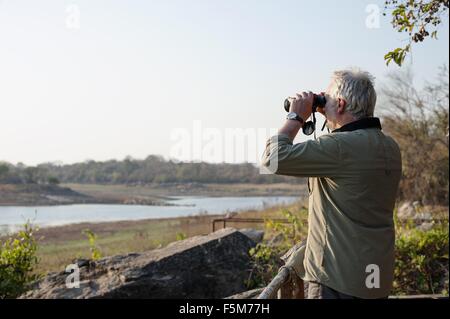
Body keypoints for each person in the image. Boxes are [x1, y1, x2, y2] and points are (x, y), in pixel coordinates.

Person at [262, 69, 402, 299]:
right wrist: (327, 111)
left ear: (340, 104)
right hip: (376, 277)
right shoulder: (390, 147)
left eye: (324, 100)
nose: (321, 105)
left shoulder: (339, 147)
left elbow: (273, 158)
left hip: (337, 280)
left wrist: (296, 117)